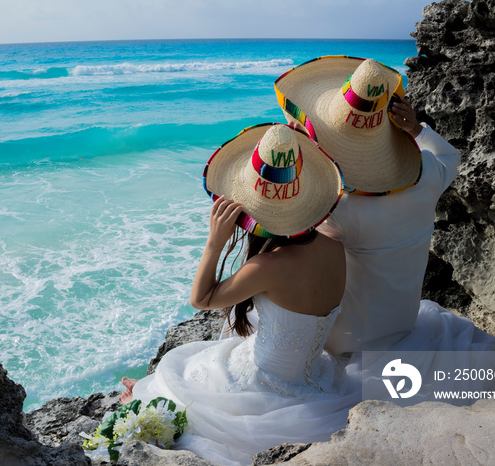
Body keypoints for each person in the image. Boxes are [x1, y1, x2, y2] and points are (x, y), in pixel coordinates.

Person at [119, 123, 361, 466]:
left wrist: (215, 243)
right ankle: (146, 391)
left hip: (266, 386)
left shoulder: (268, 266)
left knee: (178, 381)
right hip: (319, 378)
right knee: (189, 370)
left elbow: (201, 299)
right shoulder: (334, 242)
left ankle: (143, 396)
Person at [274, 56, 495, 355]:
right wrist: (416, 130)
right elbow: (450, 157)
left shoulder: (337, 209)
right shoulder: (428, 174)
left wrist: (302, 148)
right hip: (402, 324)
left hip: (348, 339)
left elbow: (287, 233)